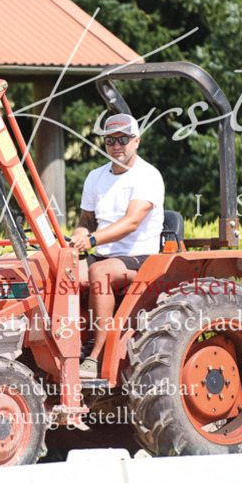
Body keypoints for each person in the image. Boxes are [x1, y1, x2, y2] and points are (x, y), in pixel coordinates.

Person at [69, 113, 164, 379]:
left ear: (137, 141)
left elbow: (132, 222)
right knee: (60, 270)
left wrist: (91, 239)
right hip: (101, 254)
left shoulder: (148, 176)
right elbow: (86, 220)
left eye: (123, 138)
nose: (116, 145)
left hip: (140, 259)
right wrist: (78, 237)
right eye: (110, 140)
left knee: (101, 273)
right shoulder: (95, 177)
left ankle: (96, 356)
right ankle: (67, 346)